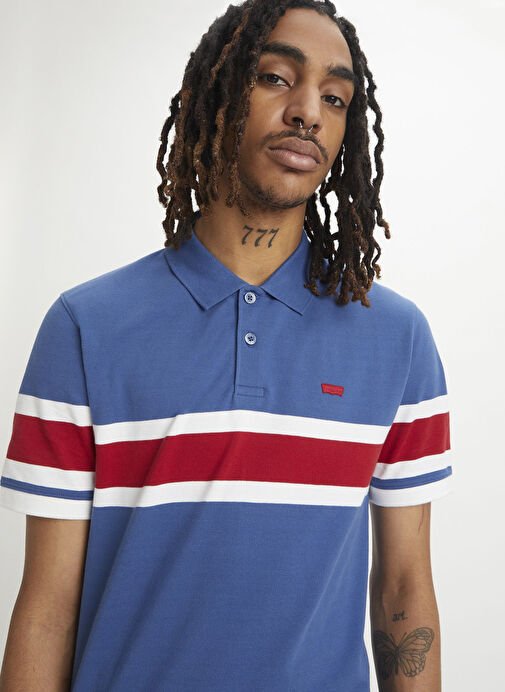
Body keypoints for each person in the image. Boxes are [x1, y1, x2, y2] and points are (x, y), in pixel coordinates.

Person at [0, 1, 452, 690]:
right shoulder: (86, 327)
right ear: (214, 95)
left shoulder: (397, 338)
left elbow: (403, 592)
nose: (308, 111)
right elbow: (46, 611)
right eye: (275, 78)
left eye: (334, 97)